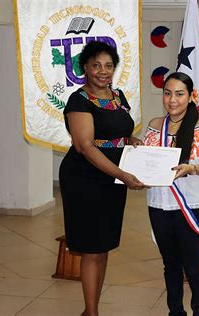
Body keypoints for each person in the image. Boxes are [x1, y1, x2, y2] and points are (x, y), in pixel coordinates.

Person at [59, 41, 146, 316]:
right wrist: (122, 174)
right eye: (96, 65)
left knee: (104, 245)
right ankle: (92, 312)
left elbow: (117, 132)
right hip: (85, 178)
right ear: (85, 67)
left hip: (112, 178)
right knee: (90, 248)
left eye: (108, 66)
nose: (103, 71)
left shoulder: (118, 96)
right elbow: (85, 145)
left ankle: (90, 308)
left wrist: (132, 140)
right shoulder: (79, 100)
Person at [143, 72, 199, 316]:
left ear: (191, 96)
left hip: (192, 206)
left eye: (179, 94)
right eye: (168, 93)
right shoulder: (153, 126)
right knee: (170, 264)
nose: (172, 100)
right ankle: (175, 312)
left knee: (193, 268)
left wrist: (191, 168)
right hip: (159, 204)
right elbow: (148, 163)